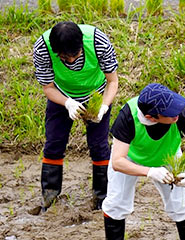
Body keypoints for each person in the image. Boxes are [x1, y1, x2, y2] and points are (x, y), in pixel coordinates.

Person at [102, 83, 185, 240]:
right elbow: (118, 162)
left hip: (168, 157)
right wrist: (150, 172)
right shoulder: (127, 116)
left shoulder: (180, 113)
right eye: (170, 113)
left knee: (180, 206)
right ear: (151, 117)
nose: (176, 115)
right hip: (130, 158)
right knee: (116, 204)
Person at [32, 21, 119, 211]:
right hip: (62, 95)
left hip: (96, 94)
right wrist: (67, 102)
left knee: (99, 146)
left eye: (75, 55)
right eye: (64, 57)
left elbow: (112, 81)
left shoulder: (98, 41)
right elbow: (48, 87)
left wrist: (103, 106)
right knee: (54, 143)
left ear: (81, 46)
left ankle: (102, 199)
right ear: (56, 52)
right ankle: (49, 198)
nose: (71, 61)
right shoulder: (42, 48)